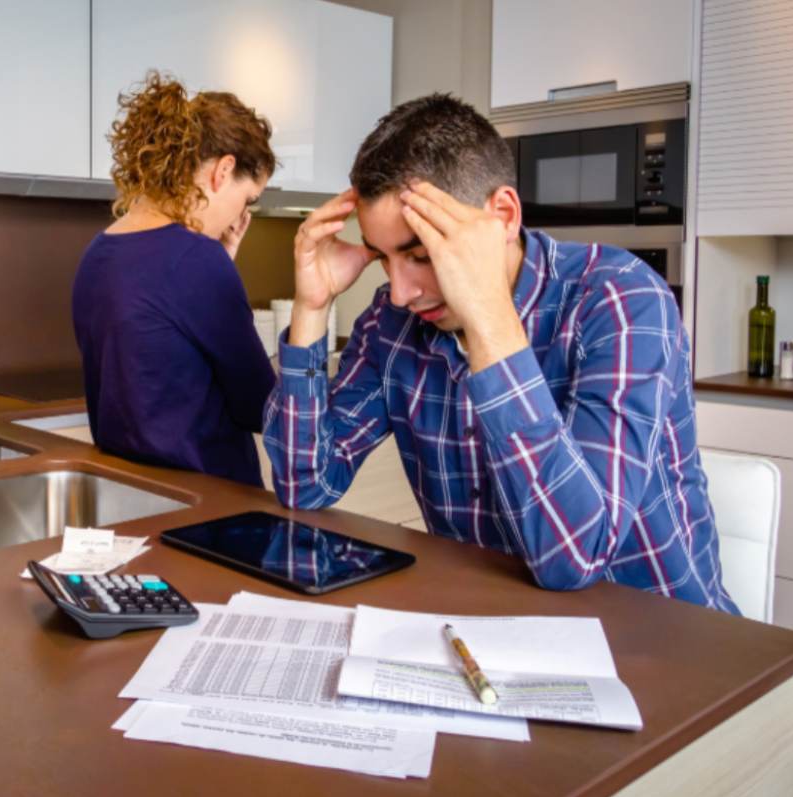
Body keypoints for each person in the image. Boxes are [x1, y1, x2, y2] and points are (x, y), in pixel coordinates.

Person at [263, 94, 738, 613]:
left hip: (662, 640)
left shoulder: (620, 300)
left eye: (422, 255)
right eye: (383, 259)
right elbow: (303, 483)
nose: (399, 291)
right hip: (491, 627)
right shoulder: (393, 322)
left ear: (504, 215)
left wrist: (488, 317)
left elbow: (573, 555)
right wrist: (312, 309)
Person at [73, 72, 277, 487]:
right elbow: (259, 406)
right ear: (223, 171)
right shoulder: (197, 262)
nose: (241, 216)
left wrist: (220, 264)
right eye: (248, 199)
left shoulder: (97, 254)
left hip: (129, 498)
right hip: (210, 505)